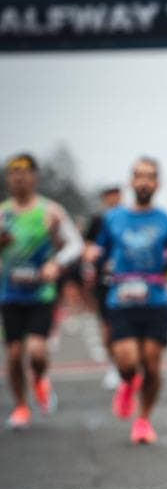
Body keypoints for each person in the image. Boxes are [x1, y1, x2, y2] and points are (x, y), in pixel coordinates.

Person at [86, 157, 167, 444]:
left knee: (152, 364)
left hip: (156, 301)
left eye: (150, 176)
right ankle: (129, 382)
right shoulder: (114, 218)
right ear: (131, 181)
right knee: (128, 361)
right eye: (139, 176)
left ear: (157, 183)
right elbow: (99, 249)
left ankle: (143, 419)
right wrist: (92, 255)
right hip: (121, 300)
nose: (144, 181)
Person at [0, 152, 84, 429]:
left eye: (25, 174)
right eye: (14, 174)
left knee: (36, 350)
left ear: (35, 178)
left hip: (41, 293)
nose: (19, 179)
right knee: (13, 354)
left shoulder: (51, 211)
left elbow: (75, 245)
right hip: (10, 292)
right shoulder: (3, 214)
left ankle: (40, 377)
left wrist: (56, 264)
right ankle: (22, 407)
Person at [84, 185, 123, 389]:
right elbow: (87, 246)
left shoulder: (129, 217)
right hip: (105, 281)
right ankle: (113, 366)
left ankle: (130, 364)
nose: (113, 199)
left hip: (128, 281)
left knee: (128, 325)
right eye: (109, 196)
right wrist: (94, 254)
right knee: (108, 326)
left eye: (116, 195)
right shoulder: (98, 221)